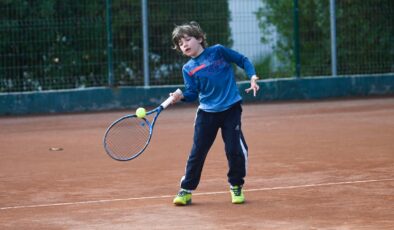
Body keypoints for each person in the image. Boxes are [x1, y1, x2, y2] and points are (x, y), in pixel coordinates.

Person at [169, 21, 259, 205]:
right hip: (207, 114)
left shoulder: (218, 51)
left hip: (231, 109)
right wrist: (181, 97)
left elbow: (242, 60)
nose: (184, 44)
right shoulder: (188, 69)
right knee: (198, 152)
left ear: (200, 39)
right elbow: (192, 93)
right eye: (180, 43)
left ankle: (236, 185)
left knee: (234, 149)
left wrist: (252, 76)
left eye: (187, 39)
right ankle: (186, 190)